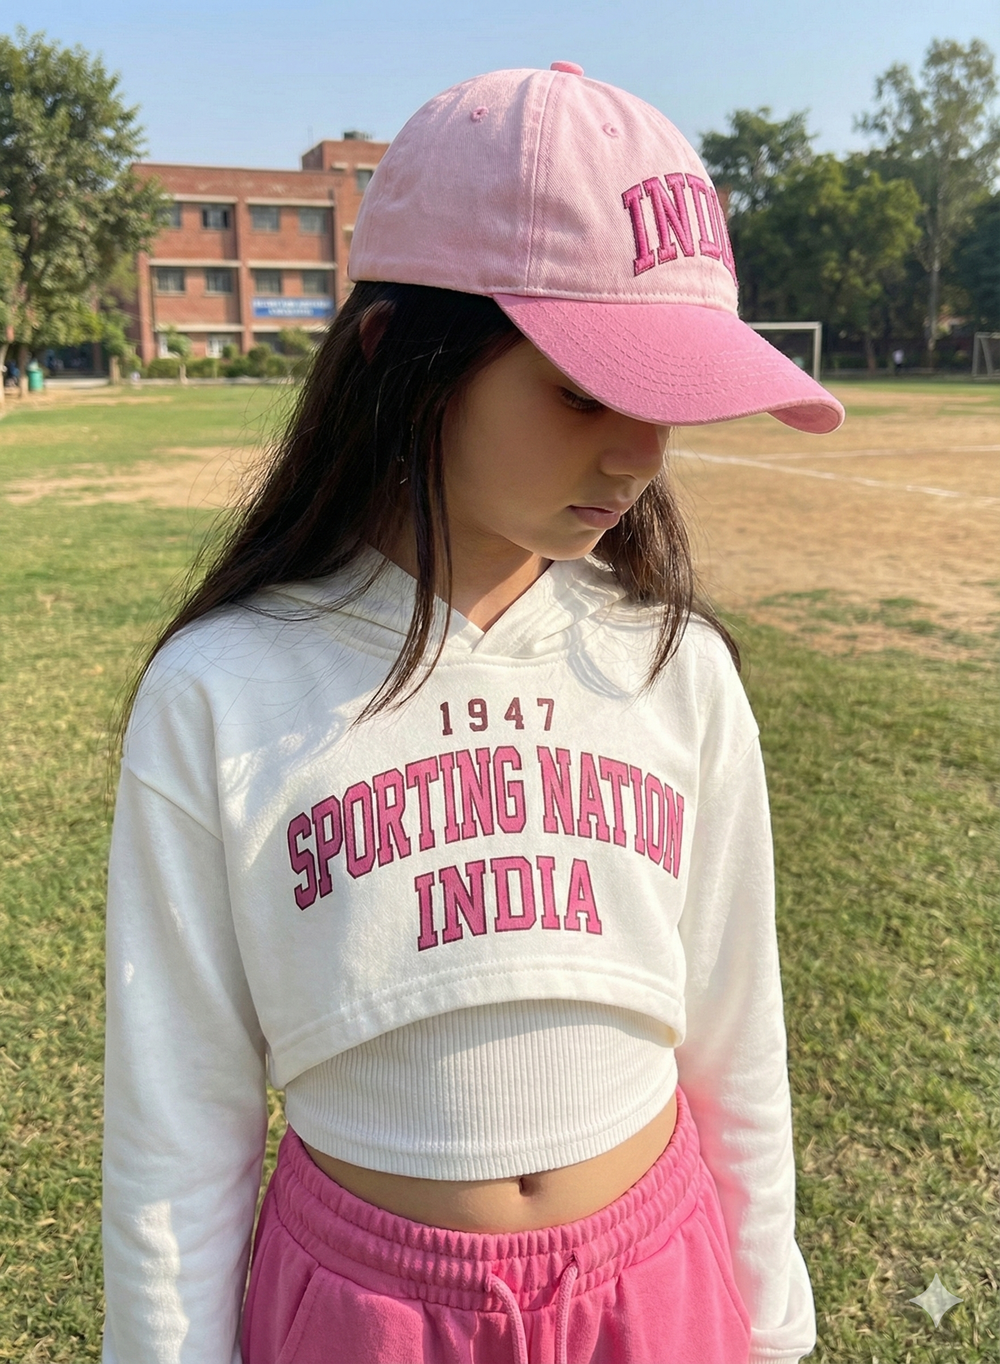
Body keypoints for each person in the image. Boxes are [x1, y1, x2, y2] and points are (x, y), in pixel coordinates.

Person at [103, 63, 844, 1364]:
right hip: (364, 1316)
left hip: (657, 1298)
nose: (641, 454)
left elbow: (740, 1043)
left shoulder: (674, 667)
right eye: (581, 390)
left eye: (665, 398)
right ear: (397, 356)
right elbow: (176, 1121)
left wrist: (774, 1326)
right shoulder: (223, 692)